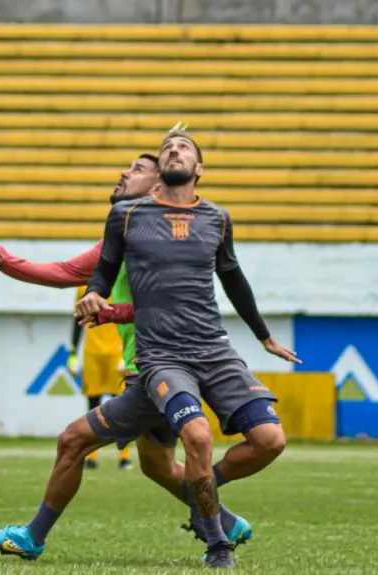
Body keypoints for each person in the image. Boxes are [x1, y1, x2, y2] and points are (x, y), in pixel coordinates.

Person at [0, 154, 281, 564]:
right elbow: (69, 271)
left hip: (157, 367)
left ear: (160, 183)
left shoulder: (173, 234)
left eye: (137, 169)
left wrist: (110, 312)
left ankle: (33, 536)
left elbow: (168, 303)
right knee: (156, 465)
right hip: (153, 367)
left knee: (75, 440)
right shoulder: (124, 232)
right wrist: (11, 263)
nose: (124, 173)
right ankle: (224, 523)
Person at [77, 127, 299, 568]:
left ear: (199, 169)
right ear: (161, 169)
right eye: (166, 149)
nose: (173, 151)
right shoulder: (127, 214)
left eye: (182, 148)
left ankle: (200, 495)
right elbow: (105, 270)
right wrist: (94, 293)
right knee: (197, 435)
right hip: (161, 355)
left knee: (271, 440)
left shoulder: (217, 218)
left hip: (214, 350)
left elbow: (233, 278)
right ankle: (218, 546)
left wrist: (262, 335)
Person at [67, 285, 133, 470]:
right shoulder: (83, 286)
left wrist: (129, 351)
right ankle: (92, 456)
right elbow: (77, 319)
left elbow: (133, 317)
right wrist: (72, 352)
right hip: (92, 351)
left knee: (121, 406)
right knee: (92, 404)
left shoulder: (121, 282)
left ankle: (124, 456)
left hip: (116, 351)